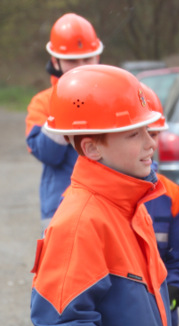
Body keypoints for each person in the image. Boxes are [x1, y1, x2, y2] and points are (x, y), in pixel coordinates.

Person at [30, 64, 173, 326]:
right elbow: (62, 324)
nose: (150, 144)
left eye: (148, 130)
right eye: (134, 134)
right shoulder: (79, 222)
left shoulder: (131, 207)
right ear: (93, 148)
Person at [25, 13, 103, 230]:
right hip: (61, 210)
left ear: (98, 57)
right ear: (55, 61)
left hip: (109, 205)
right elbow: (48, 155)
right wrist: (65, 106)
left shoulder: (112, 97)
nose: (80, 66)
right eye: (72, 60)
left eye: (87, 58)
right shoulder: (42, 102)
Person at [143, 84, 179, 326]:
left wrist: (170, 296)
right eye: (138, 133)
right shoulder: (89, 199)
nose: (149, 144)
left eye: (154, 135)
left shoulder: (173, 196)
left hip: (161, 324)